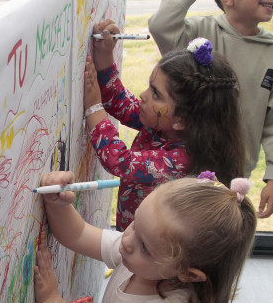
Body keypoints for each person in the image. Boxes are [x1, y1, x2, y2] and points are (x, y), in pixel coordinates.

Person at [148, 0, 273, 219]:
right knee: (170, 230)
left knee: (212, 237)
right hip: (183, 162)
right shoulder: (199, 34)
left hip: (233, 172)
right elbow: (161, 24)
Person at [35, 171, 257, 303]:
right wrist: (58, 205)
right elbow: (79, 234)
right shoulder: (143, 256)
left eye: (145, 247)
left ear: (187, 273)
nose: (128, 240)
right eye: (134, 222)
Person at [84, 31, 246, 231]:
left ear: (181, 120)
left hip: (149, 252)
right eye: (150, 88)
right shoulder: (161, 124)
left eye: (156, 94)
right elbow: (119, 102)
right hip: (134, 241)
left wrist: (93, 109)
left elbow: (120, 162)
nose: (143, 96)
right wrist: (104, 54)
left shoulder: (180, 162)